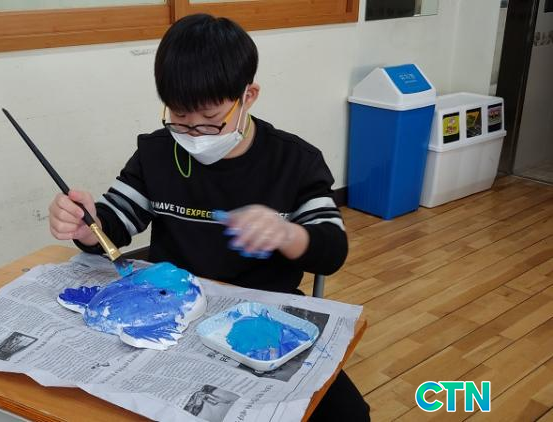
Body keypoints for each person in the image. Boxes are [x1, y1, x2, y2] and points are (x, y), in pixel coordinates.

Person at [48, 13, 369, 420]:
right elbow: (116, 222)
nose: (194, 135)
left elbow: (332, 251)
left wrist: (288, 234)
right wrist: (87, 225)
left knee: (348, 416)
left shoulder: (294, 161)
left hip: (261, 319)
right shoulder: (158, 153)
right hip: (169, 310)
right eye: (180, 119)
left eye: (211, 122)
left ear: (248, 96)